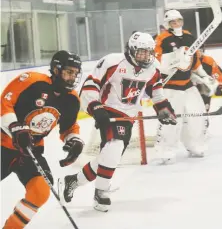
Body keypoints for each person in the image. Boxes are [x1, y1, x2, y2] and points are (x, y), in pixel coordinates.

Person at [58, 32, 177, 212]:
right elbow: (91, 85)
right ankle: (101, 193)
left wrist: (164, 109)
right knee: (114, 147)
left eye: (148, 52)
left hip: (128, 117)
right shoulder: (112, 61)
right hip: (108, 111)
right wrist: (96, 108)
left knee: (109, 157)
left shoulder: (154, 68)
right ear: (131, 50)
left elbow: (156, 92)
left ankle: (74, 180)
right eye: (141, 52)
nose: (145, 56)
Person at [1, 50, 84, 228]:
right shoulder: (32, 82)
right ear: (56, 69)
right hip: (3, 144)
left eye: (75, 74)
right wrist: (16, 128)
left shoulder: (71, 100)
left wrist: (74, 139)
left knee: (40, 191)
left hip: (31, 150)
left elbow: (69, 126)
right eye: (69, 72)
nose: (72, 78)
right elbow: (4, 104)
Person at [153, 9, 219, 163]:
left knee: (197, 116)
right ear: (167, 24)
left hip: (188, 85)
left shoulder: (189, 37)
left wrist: (208, 80)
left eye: (179, 21)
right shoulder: (162, 39)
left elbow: (195, 64)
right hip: (169, 87)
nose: (176, 24)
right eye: (173, 22)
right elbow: (157, 64)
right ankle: (166, 150)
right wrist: (174, 61)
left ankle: (194, 145)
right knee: (171, 121)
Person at [197, 44, 222, 112]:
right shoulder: (190, 61)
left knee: (205, 108)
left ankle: (205, 118)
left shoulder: (209, 60)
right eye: (197, 51)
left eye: (201, 50)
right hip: (193, 88)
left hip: (206, 88)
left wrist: (219, 86)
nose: (199, 53)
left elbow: (219, 73)